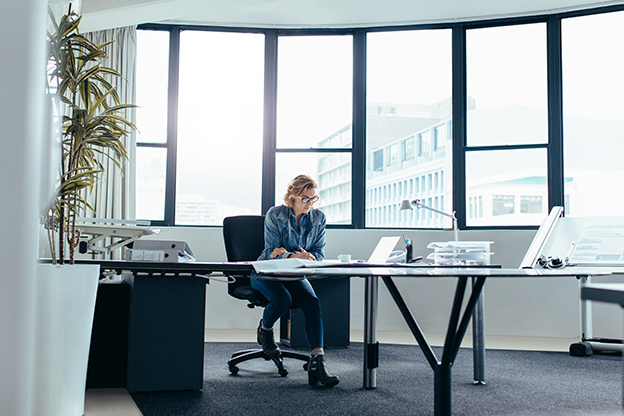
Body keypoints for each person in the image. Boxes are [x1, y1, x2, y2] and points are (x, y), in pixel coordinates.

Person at [251, 174, 340, 387]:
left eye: (313, 198)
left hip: (294, 274)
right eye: (305, 199)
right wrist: (291, 256)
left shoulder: (319, 219)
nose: (309, 204)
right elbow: (269, 253)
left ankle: (317, 363)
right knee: (282, 299)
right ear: (292, 196)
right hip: (265, 273)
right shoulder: (276, 215)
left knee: (312, 302)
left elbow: (318, 252)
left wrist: (309, 257)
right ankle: (265, 330)